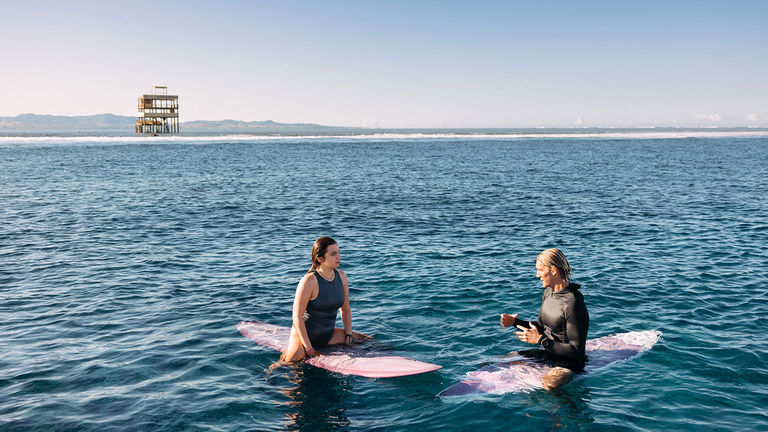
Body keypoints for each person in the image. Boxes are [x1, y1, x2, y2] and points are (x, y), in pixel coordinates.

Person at [500, 248, 589, 390]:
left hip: (569, 362)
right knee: (498, 362)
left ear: (553, 270)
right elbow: (541, 328)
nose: (537, 275)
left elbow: (577, 351)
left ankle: (570, 409)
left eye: (540, 270)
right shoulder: (549, 292)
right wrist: (514, 322)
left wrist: (541, 340)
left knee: (549, 385)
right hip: (549, 353)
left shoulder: (573, 303)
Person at [280, 236, 368, 363]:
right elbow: (297, 317)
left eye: (339, 252)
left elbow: (346, 309)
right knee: (289, 365)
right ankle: (280, 361)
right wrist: (309, 349)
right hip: (303, 337)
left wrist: (348, 334)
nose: (339, 257)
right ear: (320, 258)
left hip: (328, 335)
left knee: (367, 341)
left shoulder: (342, 276)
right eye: (333, 254)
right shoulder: (309, 281)